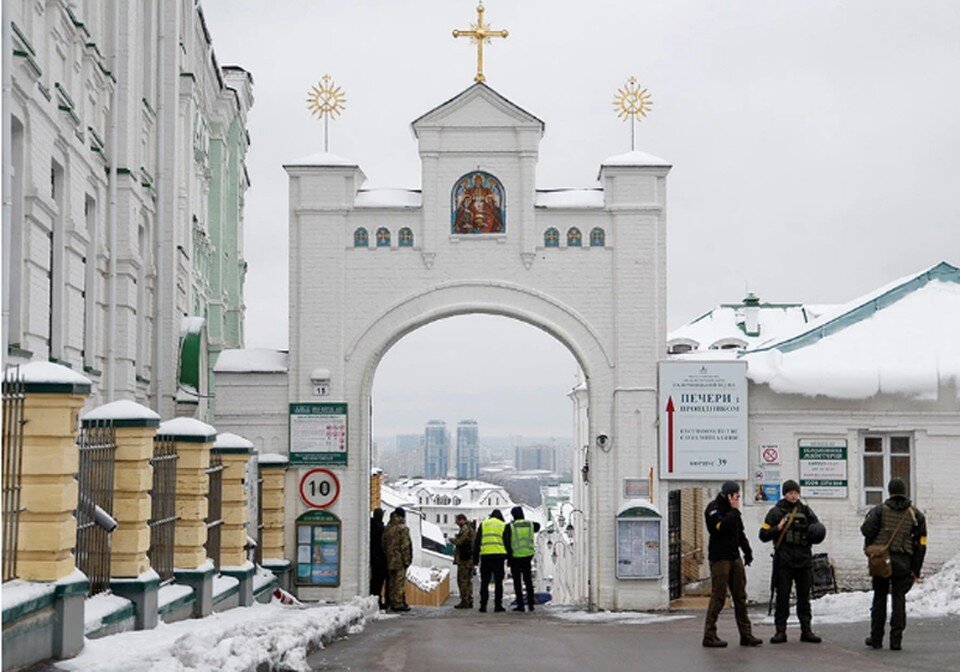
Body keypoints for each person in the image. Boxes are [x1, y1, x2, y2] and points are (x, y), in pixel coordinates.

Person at [861, 478, 927, 651]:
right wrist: (916, 569)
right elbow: (921, 544)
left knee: (879, 598)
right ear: (904, 491)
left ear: (889, 492)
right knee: (899, 599)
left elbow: (866, 531)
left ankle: (876, 638)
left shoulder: (879, 510)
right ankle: (896, 640)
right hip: (903, 562)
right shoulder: (916, 514)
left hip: (881, 561)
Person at [759, 480, 824, 644]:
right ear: (784, 494)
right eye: (790, 493)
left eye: (796, 493)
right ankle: (780, 631)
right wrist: (777, 529)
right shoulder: (775, 512)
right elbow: (763, 535)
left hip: (803, 560)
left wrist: (816, 533)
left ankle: (806, 631)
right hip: (784, 561)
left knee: (804, 598)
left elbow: (816, 529)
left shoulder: (806, 510)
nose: (794, 496)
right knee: (782, 597)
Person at [702, 480, 763, 648]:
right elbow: (719, 527)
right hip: (720, 558)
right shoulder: (713, 509)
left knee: (740, 596)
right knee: (719, 596)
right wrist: (734, 511)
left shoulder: (734, 513)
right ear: (728, 495)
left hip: (734, 557)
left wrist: (747, 552)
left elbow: (740, 533)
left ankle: (746, 634)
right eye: (736, 496)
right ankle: (709, 635)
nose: (737, 499)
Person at [505, 505, 540, 612]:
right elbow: (538, 526)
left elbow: (506, 543)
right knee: (528, 580)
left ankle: (520, 605)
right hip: (528, 556)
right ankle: (531, 603)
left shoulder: (510, 526)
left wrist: (509, 557)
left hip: (515, 557)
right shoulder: (530, 524)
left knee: (517, 581)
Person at [473, 508, 508, 613]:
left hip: (485, 557)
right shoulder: (503, 525)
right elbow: (507, 542)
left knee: (484, 582)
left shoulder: (484, 524)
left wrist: (475, 559)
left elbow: (477, 542)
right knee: (498, 582)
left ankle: (483, 606)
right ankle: (498, 605)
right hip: (499, 557)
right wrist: (508, 557)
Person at [382, 508, 412, 612]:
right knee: (399, 582)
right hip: (399, 560)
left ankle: (390, 601)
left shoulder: (388, 527)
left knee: (391, 581)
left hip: (389, 559)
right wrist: (407, 560)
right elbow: (405, 546)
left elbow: (383, 543)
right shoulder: (403, 528)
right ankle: (398, 603)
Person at [451, 513, 476, 609]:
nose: (456, 522)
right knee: (468, 580)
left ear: (462, 520)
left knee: (462, 580)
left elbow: (460, 541)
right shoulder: (470, 528)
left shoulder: (465, 528)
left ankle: (465, 600)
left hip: (465, 559)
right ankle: (469, 599)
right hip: (470, 558)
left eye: (457, 520)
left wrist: (453, 540)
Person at [370, 507, 387, 610]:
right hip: (380, 557)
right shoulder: (380, 528)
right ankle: (377, 600)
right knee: (378, 580)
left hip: (373, 557)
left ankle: (374, 598)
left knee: (374, 579)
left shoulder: (370, 526)